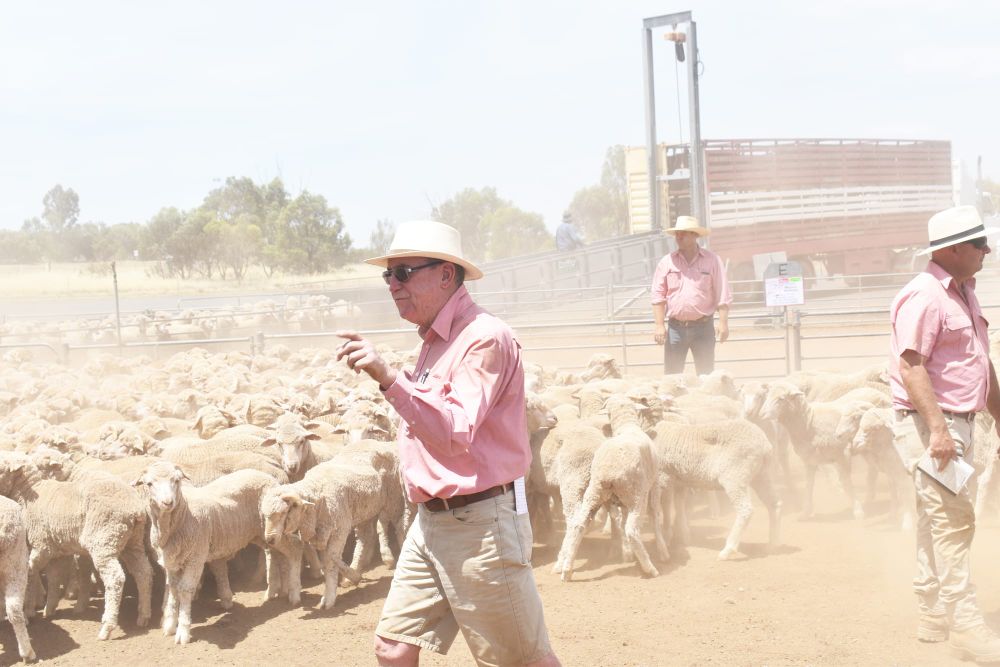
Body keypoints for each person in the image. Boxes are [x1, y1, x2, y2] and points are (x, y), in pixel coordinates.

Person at [334, 220, 560, 667]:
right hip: (432, 521)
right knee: (394, 647)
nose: (393, 286)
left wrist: (388, 377)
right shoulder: (437, 341)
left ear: (445, 274)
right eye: (388, 275)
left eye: (404, 273)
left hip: (481, 523)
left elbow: (456, 430)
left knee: (519, 661)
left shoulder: (484, 338)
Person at [889, 205, 1000, 664]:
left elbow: (979, 363)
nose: (987, 251)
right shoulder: (926, 296)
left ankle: (933, 611)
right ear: (953, 249)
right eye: (978, 244)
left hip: (955, 422)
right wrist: (937, 430)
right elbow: (912, 365)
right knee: (955, 521)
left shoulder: (964, 293)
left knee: (936, 518)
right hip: (934, 424)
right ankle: (966, 625)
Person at [650, 215, 732, 375]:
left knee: (706, 375)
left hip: (703, 327)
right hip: (675, 328)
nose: (679, 236)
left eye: (684, 233)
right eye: (677, 233)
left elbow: (722, 292)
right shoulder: (666, 262)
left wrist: (723, 323)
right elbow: (658, 295)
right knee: (672, 378)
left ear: (695, 235)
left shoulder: (712, 260)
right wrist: (659, 325)